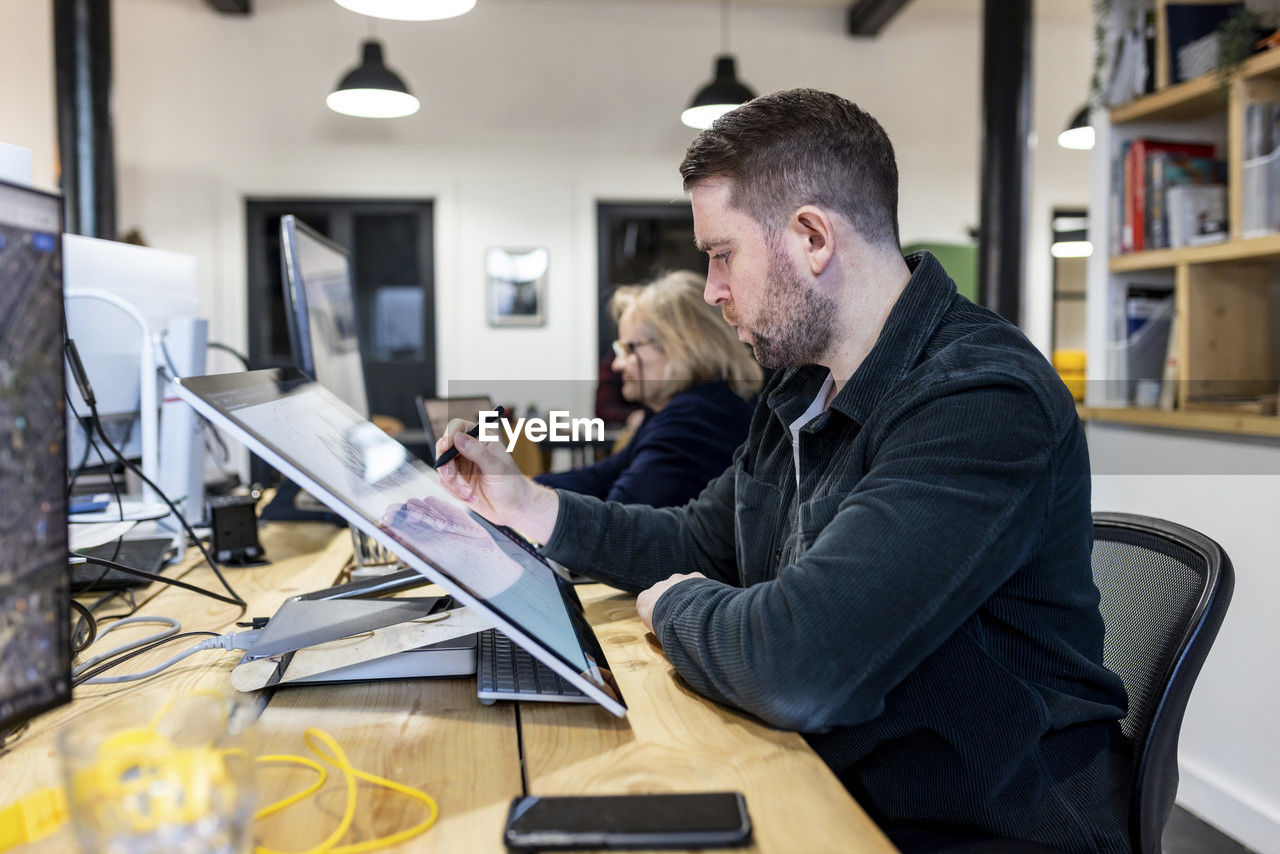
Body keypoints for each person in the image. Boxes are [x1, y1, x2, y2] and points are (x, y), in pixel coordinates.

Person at [435, 89, 1130, 853]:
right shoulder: (801, 386)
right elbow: (700, 542)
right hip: (837, 774)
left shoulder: (978, 399)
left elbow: (799, 664)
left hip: (973, 821)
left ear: (810, 238)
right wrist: (528, 505)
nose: (712, 290)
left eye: (721, 254)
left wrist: (676, 607)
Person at [534, 271, 762, 508]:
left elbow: (622, 517)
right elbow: (601, 477)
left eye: (629, 349)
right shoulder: (681, 410)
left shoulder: (696, 419)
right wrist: (519, 488)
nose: (617, 364)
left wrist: (524, 499)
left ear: (678, 347)